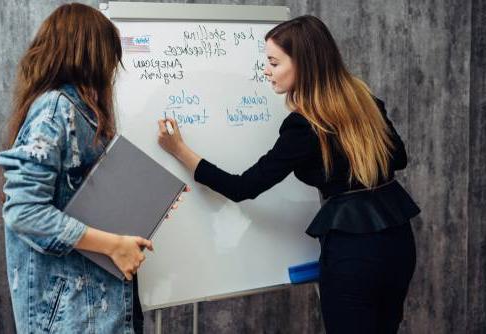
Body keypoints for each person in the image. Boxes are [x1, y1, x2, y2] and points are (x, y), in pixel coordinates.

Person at [157, 15, 420, 334]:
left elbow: (244, 187)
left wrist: (179, 149)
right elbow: (399, 158)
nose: (265, 70)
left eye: (273, 62)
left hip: (354, 255)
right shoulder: (365, 102)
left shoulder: (305, 126)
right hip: (398, 242)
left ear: (304, 64)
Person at [0, 3, 185, 333]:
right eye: (110, 57)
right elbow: (24, 211)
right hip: (72, 315)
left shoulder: (81, 112)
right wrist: (114, 245)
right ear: (92, 55)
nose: (113, 69)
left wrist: (142, 210)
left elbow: (80, 201)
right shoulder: (56, 110)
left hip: (96, 307)